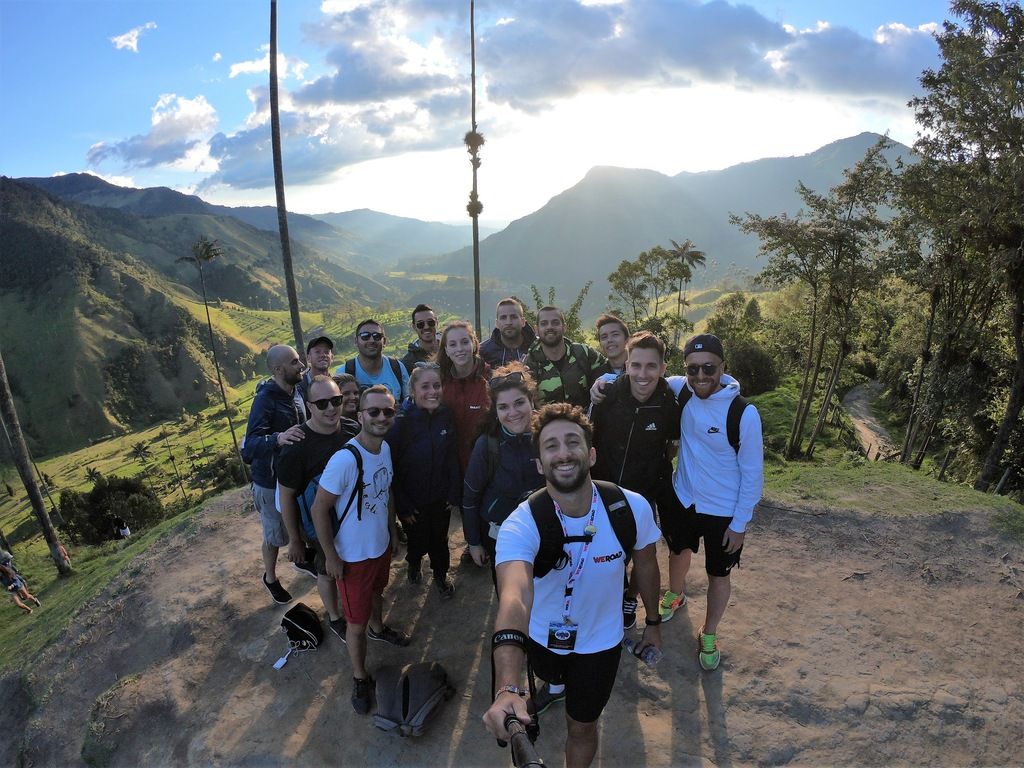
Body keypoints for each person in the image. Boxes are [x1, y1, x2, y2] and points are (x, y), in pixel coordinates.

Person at [483, 403, 663, 768]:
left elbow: (646, 563)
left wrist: (654, 623)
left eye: (572, 442)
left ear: (591, 453)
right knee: (550, 676)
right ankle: (553, 686)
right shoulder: (520, 524)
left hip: (601, 644)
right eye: (550, 446)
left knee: (582, 727)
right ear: (538, 463)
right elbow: (514, 598)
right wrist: (507, 687)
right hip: (540, 637)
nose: (563, 453)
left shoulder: (631, 508)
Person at [660, 333, 764, 671]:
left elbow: (753, 474)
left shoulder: (743, 413)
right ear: (685, 369)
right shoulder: (683, 390)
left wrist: (740, 524)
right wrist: (604, 379)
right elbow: (643, 373)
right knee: (678, 552)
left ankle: (709, 632)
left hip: (723, 511)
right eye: (693, 369)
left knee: (718, 574)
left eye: (709, 368)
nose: (701, 377)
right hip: (684, 498)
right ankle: (675, 595)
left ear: (723, 367)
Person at [310, 385, 412, 715]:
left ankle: (379, 629)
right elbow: (318, 509)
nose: (382, 417)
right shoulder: (345, 459)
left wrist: (392, 529)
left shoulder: (383, 449)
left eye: (388, 412)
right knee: (354, 624)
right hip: (352, 556)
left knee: (378, 593)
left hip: (378, 546)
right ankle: (359, 675)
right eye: (374, 411)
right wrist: (331, 556)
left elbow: (388, 490)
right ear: (360, 415)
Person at [590, 332, 680, 629]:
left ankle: (630, 596)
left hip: (643, 494)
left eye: (651, 366)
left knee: (644, 553)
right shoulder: (607, 396)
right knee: (605, 551)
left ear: (663, 368)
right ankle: (604, 599)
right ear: (626, 365)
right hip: (604, 488)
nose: (643, 374)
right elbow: (590, 438)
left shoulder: (669, 404)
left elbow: (672, 445)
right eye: (636, 365)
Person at [277, 376, 361, 642]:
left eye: (336, 400)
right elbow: (287, 496)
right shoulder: (297, 447)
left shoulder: (350, 429)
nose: (330, 408)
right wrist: (295, 540)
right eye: (322, 403)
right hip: (319, 523)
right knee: (327, 569)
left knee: (352, 565)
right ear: (310, 406)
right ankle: (335, 617)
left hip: (352, 517)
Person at [385, 364, 461, 598]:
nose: (432, 391)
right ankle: (414, 563)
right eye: (425, 386)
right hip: (413, 501)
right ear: (413, 391)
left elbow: (452, 457)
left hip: (440, 497)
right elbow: (393, 470)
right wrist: (403, 506)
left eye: (436, 386)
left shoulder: (445, 416)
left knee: (439, 539)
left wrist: (453, 491)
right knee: (417, 540)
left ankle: (440, 574)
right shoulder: (400, 424)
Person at [241, 344, 309, 605]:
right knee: (274, 536)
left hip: (295, 476)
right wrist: (277, 438)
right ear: (279, 370)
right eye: (294, 362)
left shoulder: (296, 391)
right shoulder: (265, 400)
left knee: (299, 524)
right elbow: (249, 447)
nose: (301, 365)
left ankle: (303, 561)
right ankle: (270, 577)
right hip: (270, 482)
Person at [462, 363, 543, 571]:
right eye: (503, 407)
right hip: (501, 534)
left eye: (519, 403)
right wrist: (473, 542)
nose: (513, 413)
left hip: (544, 530)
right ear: (495, 411)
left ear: (531, 401)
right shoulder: (487, 445)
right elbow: (470, 497)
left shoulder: (548, 437)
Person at [526, 306, 606, 409]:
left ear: (564, 327)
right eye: (544, 323)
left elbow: (610, 369)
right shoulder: (530, 363)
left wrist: (601, 381)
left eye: (555, 322)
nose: (549, 327)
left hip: (585, 422)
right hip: (546, 423)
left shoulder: (583, 353)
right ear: (536, 329)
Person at [437, 320, 491, 473]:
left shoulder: (491, 380)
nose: (459, 349)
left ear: (474, 344)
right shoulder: (439, 384)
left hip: (484, 468)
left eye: (464, 342)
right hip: (449, 469)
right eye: (453, 344)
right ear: (446, 350)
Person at [340, 319, 410, 401]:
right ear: (356, 341)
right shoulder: (344, 371)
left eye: (377, 336)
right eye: (365, 336)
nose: (371, 340)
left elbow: (409, 403)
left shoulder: (398, 368)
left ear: (384, 341)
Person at [480, 297, 537, 368]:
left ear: (523, 322)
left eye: (514, 317)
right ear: (497, 323)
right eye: (503, 318)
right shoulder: (482, 352)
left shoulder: (538, 349)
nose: (508, 322)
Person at [400, 304, 439, 371]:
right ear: (414, 327)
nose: (426, 327)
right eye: (420, 324)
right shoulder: (407, 363)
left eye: (430, 322)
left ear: (437, 323)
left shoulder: (450, 351)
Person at [298, 336, 335, 402]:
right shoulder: (298, 387)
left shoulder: (337, 383)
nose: (323, 355)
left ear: (332, 358)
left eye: (326, 352)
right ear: (309, 358)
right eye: (317, 352)